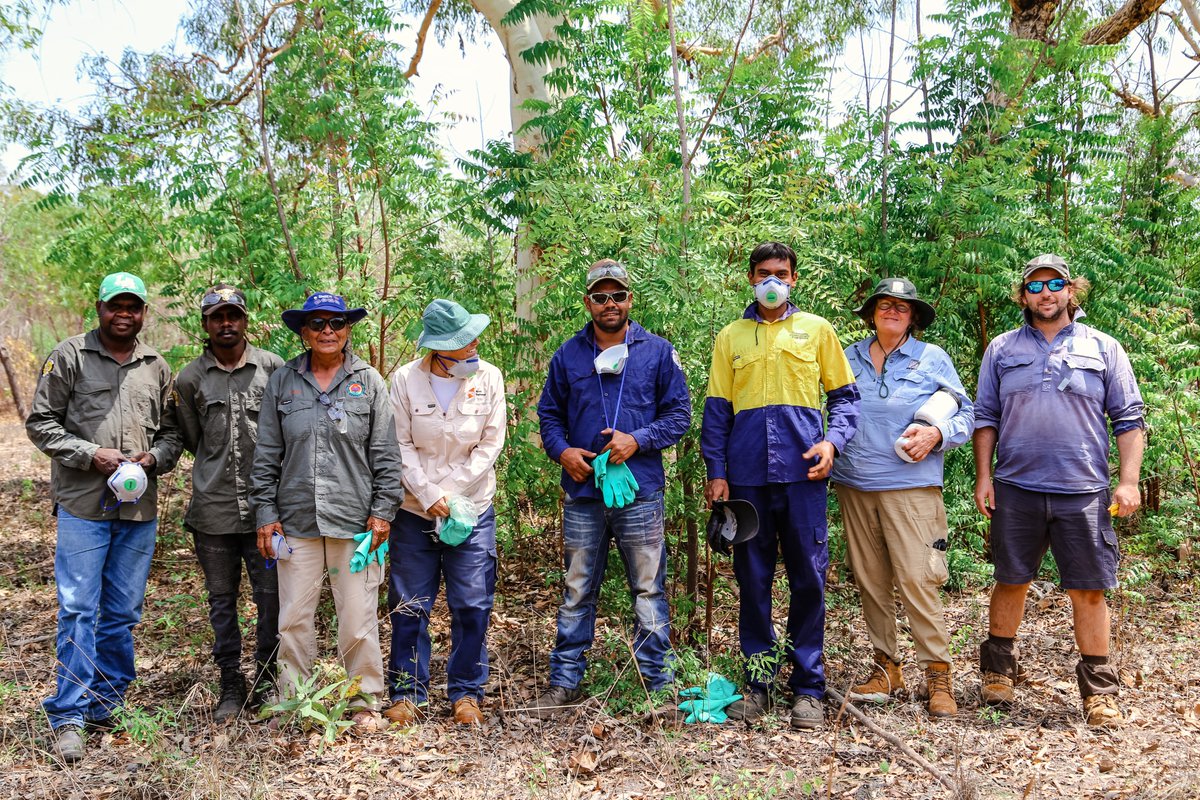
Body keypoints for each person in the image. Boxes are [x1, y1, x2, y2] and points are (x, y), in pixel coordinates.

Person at [973, 254, 1144, 729]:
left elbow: (1129, 419)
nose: (1045, 293)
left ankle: (1099, 692)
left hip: (1083, 491)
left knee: (1089, 591)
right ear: (1022, 294)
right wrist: (983, 476)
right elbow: (985, 417)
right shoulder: (1002, 349)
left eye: (1055, 284)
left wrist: (1128, 481)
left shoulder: (1104, 348)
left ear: (1072, 291)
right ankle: (998, 672)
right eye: (1034, 286)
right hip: (1016, 487)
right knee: (1011, 579)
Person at [700, 241, 860, 730]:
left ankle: (808, 688)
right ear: (750, 277)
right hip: (747, 479)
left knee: (809, 578)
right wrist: (716, 472)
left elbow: (846, 400)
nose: (773, 280)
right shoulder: (731, 336)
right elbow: (717, 411)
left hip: (804, 476)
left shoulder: (817, 331)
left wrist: (832, 443)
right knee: (753, 580)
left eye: (782, 273)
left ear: (794, 279)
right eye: (765, 272)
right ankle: (758, 683)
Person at [26, 272, 181, 763]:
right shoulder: (69, 356)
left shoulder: (157, 366)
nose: (125, 314)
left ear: (143, 313)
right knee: (77, 609)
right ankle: (68, 715)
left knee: (122, 614)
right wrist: (89, 453)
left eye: (133, 306)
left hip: (137, 512)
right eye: (116, 305)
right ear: (99, 308)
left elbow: (173, 435)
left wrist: (154, 458)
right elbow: (40, 422)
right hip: (83, 507)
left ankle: (106, 705)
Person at [530, 259, 691, 719]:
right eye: (600, 297)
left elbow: (680, 415)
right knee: (577, 588)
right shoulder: (567, 355)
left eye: (617, 295)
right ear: (587, 303)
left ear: (629, 299)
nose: (609, 304)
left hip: (638, 490)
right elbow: (549, 416)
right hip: (584, 493)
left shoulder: (657, 352)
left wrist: (636, 439)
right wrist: (562, 452)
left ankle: (658, 687)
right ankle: (564, 683)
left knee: (648, 588)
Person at [249, 292, 404, 730]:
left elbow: (387, 456)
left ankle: (365, 702)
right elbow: (266, 455)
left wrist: (382, 513)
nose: (327, 332)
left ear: (348, 329)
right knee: (293, 619)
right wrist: (265, 513)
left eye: (336, 323)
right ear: (304, 332)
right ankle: (295, 704)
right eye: (317, 324)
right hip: (295, 520)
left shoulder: (369, 381)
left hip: (355, 523)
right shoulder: (284, 381)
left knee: (356, 620)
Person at [830, 278, 974, 718]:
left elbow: (967, 413)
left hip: (911, 488)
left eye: (902, 306)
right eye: (885, 304)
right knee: (870, 580)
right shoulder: (846, 356)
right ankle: (886, 667)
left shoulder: (933, 359)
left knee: (917, 579)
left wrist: (937, 432)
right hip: (854, 484)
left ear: (913, 317)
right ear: (872, 312)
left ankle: (937, 674)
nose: (893, 311)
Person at [386, 299, 507, 726]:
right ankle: (406, 693)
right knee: (409, 603)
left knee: (472, 603)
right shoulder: (403, 381)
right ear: (439, 348)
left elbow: (491, 444)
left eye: (473, 335)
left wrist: (450, 495)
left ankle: (467, 693)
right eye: (463, 340)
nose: (474, 343)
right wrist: (427, 494)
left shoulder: (489, 377)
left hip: (472, 510)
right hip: (413, 512)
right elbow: (397, 445)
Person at [168, 284, 283, 721]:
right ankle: (230, 685)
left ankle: (268, 679)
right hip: (212, 512)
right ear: (206, 324)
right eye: (217, 316)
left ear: (246, 320)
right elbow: (193, 440)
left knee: (270, 598)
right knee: (222, 601)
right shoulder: (190, 378)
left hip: (266, 513)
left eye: (234, 314)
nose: (226, 323)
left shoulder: (273, 368)